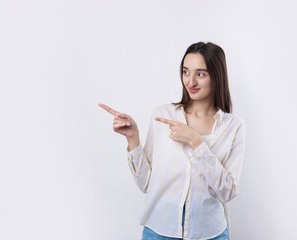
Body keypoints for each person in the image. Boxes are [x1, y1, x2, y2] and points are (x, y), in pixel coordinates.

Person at [99, 41, 246, 240]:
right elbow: (146, 184)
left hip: (210, 234)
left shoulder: (233, 126)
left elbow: (228, 191)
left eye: (201, 74)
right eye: (186, 72)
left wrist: (197, 143)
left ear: (217, 76)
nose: (190, 82)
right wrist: (133, 138)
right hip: (159, 232)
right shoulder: (162, 115)